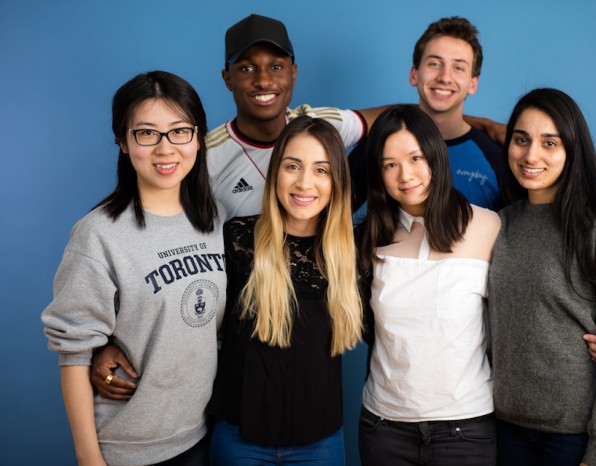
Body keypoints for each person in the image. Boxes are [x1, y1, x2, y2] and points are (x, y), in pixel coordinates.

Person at [89, 12, 514, 399]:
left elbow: (403, 117)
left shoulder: (321, 124)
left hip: (331, 338)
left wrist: (475, 124)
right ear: (227, 77)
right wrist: (102, 338)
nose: (262, 80)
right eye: (246, 68)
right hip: (235, 337)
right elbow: (152, 238)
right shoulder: (203, 153)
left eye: (275, 67)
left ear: (293, 73)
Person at [41, 71, 227, 465]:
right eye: (146, 133)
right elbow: (74, 353)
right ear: (123, 143)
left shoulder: (215, 221)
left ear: (198, 138)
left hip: (201, 436)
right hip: (127, 449)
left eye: (179, 131)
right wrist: (89, 458)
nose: (165, 149)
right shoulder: (98, 234)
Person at [487, 88, 596, 466]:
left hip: (574, 437)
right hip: (503, 430)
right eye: (521, 140)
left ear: (572, 151)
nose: (531, 155)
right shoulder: (499, 225)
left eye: (550, 142)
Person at [207, 116, 364, 464]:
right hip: (239, 440)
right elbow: (183, 307)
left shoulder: (354, 251)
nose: (305, 182)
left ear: (337, 179)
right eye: (293, 166)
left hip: (321, 444)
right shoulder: (236, 238)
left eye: (321, 170)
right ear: (275, 171)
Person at [357, 104, 500, 465]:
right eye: (390, 164)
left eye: (416, 157)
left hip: (466, 426)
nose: (406, 175)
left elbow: (524, 308)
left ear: (436, 155)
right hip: (384, 426)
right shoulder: (367, 238)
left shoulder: (488, 227)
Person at [349, 16, 507, 213]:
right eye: (434, 64)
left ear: (473, 84)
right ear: (414, 74)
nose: (444, 77)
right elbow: (333, 214)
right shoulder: (379, 145)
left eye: (458, 67)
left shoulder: (495, 158)